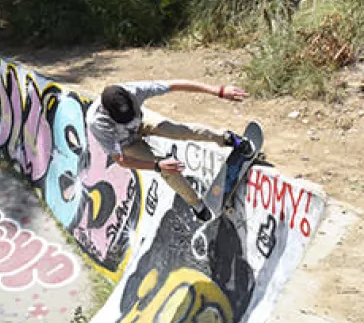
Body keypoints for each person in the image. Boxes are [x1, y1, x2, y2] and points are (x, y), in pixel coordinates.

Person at [87, 80, 254, 221]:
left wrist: (219, 91)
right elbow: (121, 160)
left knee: (178, 131)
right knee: (168, 170)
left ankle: (225, 138)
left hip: (143, 121)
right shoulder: (97, 123)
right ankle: (196, 204)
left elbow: (175, 84)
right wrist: (157, 165)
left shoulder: (135, 91)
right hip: (126, 145)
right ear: (107, 112)